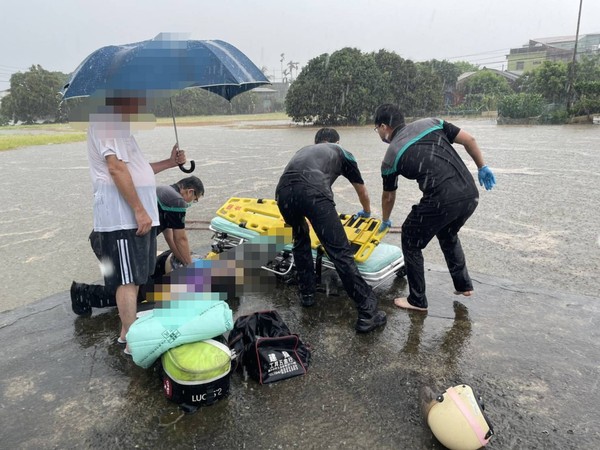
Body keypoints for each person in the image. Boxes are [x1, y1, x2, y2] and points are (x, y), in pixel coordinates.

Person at [84, 93, 186, 354]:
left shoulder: (121, 130)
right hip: (123, 219)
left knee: (137, 276)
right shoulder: (106, 122)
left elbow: (139, 170)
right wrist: (139, 210)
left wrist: (170, 162)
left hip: (135, 218)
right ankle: (133, 342)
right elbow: (116, 169)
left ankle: (125, 332)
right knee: (127, 279)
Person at [373, 103, 496, 312]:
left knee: (410, 236)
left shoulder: (391, 156)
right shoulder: (432, 123)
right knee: (447, 232)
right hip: (469, 193)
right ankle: (463, 285)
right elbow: (469, 139)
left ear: (384, 126)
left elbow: (388, 196)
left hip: (442, 198)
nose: (379, 134)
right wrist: (482, 166)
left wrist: (385, 220)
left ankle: (417, 300)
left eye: (377, 129)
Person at [275, 128, 386, 333]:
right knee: (340, 253)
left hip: (282, 194)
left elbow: (294, 181)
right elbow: (361, 189)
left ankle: (307, 294)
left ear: (317, 141)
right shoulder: (341, 151)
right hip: (313, 192)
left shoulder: (304, 150)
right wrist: (367, 211)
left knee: (300, 240)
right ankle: (367, 312)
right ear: (335, 141)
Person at [70, 176, 204, 316]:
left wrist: (185, 263)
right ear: (190, 191)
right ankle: (83, 293)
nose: (191, 203)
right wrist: (191, 268)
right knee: (132, 291)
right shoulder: (176, 201)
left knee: (133, 284)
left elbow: (170, 237)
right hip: (113, 242)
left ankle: (87, 294)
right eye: (195, 199)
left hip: (106, 238)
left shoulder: (163, 192)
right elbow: (180, 238)